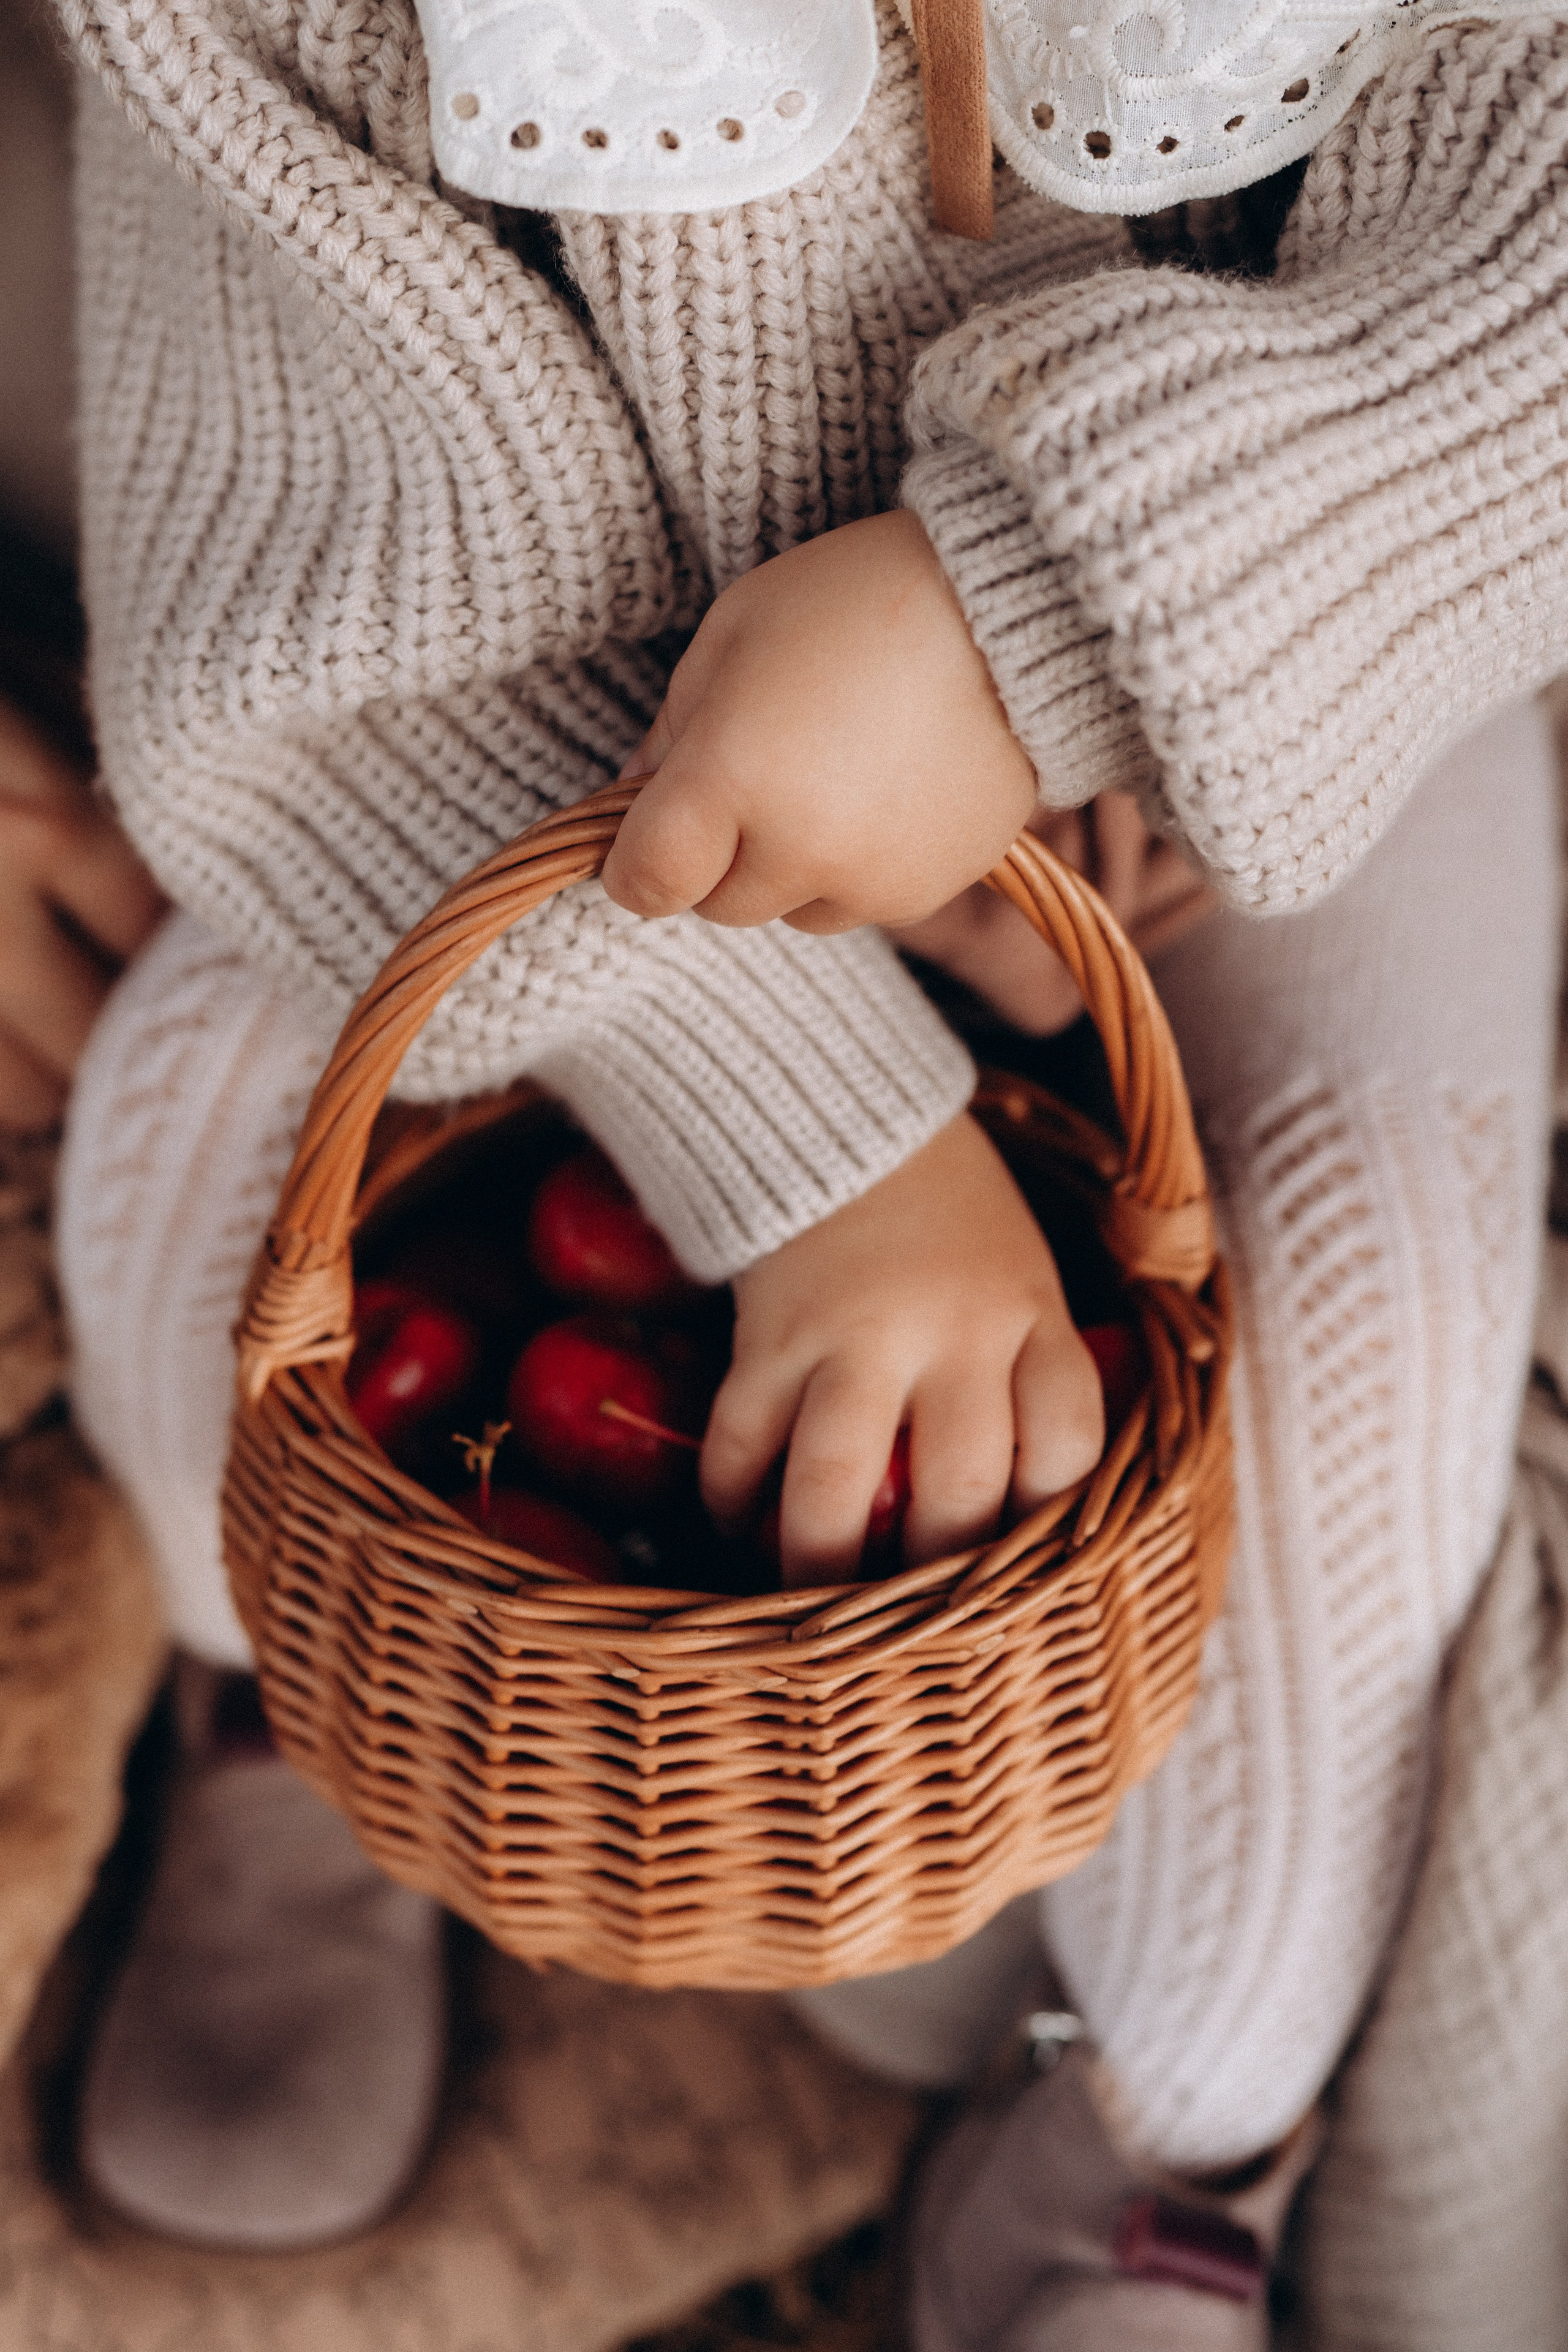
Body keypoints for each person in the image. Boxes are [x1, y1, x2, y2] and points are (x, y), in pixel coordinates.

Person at [40, 0, 1563, 2334]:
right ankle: (302, 1719)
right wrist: (818, 1134)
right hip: (539, 742)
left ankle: (1165, 2128)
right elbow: (306, 622)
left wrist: (1045, 640)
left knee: (1378, 1326)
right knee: (201, 1150)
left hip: (1299, 634)